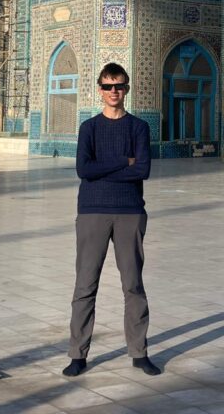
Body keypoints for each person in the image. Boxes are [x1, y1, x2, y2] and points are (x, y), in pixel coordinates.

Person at [63, 63, 160, 377]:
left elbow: (142, 170)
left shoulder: (139, 128)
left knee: (133, 285)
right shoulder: (89, 128)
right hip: (92, 212)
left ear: (127, 89)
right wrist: (123, 161)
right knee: (85, 285)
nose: (113, 91)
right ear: (100, 90)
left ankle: (138, 352)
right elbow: (84, 171)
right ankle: (78, 355)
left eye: (119, 86)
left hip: (130, 212)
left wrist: (106, 168)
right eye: (108, 86)